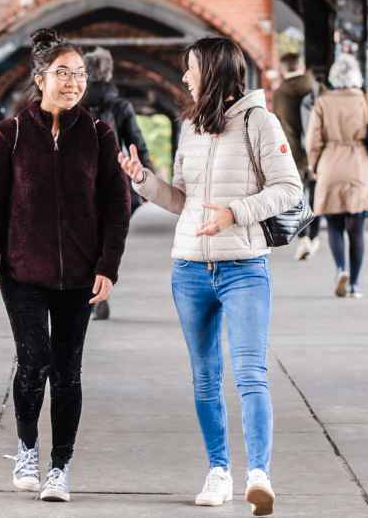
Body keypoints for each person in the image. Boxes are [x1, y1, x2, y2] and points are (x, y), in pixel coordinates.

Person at [119, 37, 302, 516]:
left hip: (243, 266)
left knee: (250, 373)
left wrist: (234, 213)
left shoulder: (260, 122)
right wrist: (143, 182)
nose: (184, 78)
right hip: (189, 268)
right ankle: (218, 470)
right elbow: (183, 201)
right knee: (204, 378)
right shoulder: (191, 127)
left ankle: (258, 473)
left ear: (215, 71)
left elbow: (289, 189)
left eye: (191, 69)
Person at [0, 29, 132, 502]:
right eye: (63, 73)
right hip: (22, 273)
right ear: (40, 79)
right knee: (32, 363)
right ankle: (26, 447)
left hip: (80, 276)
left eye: (80, 74)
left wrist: (108, 265)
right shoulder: (9, 135)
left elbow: (116, 207)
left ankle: (60, 467)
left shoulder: (100, 135)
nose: (73, 82)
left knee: (68, 371)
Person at [306, 54, 368, 299]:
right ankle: (354, 284)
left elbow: (313, 139)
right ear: (357, 76)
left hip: (331, 164)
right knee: (356, 228)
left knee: (334, 224)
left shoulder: (323, 103)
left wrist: (314, 165)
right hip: (361, 167)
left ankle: (340, 269)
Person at [80, 46, 152, 321]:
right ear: (109, 73)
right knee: (107, 241)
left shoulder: (76, 103)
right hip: (114, 182)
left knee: (83, 242)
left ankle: (86, 294)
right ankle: (102, 292)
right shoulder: (120, 105)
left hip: (81, 182)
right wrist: (146, 180)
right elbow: (136, 143)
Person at [271, 52, 322, 262]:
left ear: (283, 68)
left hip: (291, 152)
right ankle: (315, 236)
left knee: (296, 195)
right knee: (317, 195)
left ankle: (302, 238)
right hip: (317, 150)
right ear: (301, 65)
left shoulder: (279, 93)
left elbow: (277, 124)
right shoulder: (315, 87)